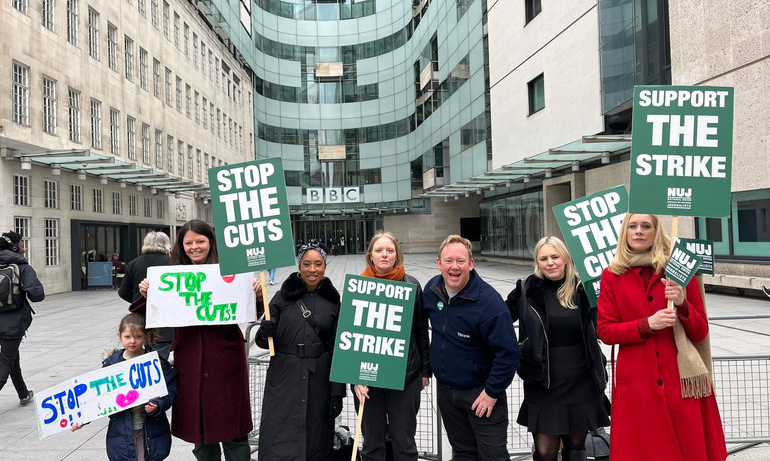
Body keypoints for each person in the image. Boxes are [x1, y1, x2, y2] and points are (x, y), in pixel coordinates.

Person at [597, 214, 727, 461]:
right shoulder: (612, 275)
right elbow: (605, 330)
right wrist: (647, 324)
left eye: (646, 226)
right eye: (633, 226)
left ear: (657, 232)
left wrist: (682, 303)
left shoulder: (679, 271)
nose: (639, 231)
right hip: (637, 384)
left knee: (689, 449)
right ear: (625, 233)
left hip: (681, 382)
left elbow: (700, 331)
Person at [138, 220, 253, 461]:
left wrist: (257, 295)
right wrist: (149, 294)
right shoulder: (172, 275)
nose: (194, 247)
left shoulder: (230, 271)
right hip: (190, 361)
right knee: (200, 431)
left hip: (226, 361)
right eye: (188, 243)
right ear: (181, 245)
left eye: (200, 241)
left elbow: (251, 310)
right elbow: (152, 313)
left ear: (211, 242)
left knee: (234, 429)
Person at [506, 237, 610, 461]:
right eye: (543, 258)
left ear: (566, 258)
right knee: (545, 451)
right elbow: (497, 318)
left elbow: (605, 325)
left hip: (582, 380)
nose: (550, 262)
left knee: (576, 445)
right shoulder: (526, 290)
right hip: (543, 382)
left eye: (555, 256)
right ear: (537, 262)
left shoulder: (585, 289)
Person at [423, 235, 519, 461]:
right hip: (447, 393)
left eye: (460, 261)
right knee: (463, 454)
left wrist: (492, 392)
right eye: (448, 261)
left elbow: (509, 353)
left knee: (493, 456)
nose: (454, 267)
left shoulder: (489, 303)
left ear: (471, 264)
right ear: (439, 264)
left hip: (481, 394)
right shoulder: (432, 290)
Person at [255, 243, 346, 461]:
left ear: (325, 266)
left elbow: (338, 348)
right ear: (299, 266)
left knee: (316, 436)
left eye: (318, 264)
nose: (312, 269)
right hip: (285, 377)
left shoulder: (333, 302)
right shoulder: (281, 297)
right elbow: (262, 341)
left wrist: (337, 392)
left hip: (319, 379)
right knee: (281, 434)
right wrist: (265, 331)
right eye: (306, 264)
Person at [352, 232, 431, 461]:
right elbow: (351, 336)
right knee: (372, 445)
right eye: (379, 250)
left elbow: (420, 331)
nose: (384, 255)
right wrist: (354, 377)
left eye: (389, 250)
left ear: (397, 255)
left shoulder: (412, 285)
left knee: (404, 444)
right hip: (368, 379)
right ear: (371, 256)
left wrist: (425, 370)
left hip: (405, 377)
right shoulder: (359, 286)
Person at [72, 312, 177, 461]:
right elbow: (96, 398)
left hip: (151, 429)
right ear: (119, 336)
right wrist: (81, 419)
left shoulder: (156, 363)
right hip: (121, 431)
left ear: (146, 336)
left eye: (138, 336)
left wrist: (158, 405)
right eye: (127, 337)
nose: (132, 341)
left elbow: (171, 390)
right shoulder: (112, 365)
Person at [0, 231, 44, 407]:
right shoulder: (22, 267)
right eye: (22, 245)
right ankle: (23, 393)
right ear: (14, 248)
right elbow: (37, 295)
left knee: (12, 358)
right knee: (6, 362)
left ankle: (23, 393)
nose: (24, 248)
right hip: (13, 324)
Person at [119, 232, 172, 360]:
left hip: (142, 318)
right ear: (166, 245)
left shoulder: (134, 263)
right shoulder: (173, 262)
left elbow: (123, 292)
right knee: (161, 356)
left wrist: (138, 301)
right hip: (167, 319)